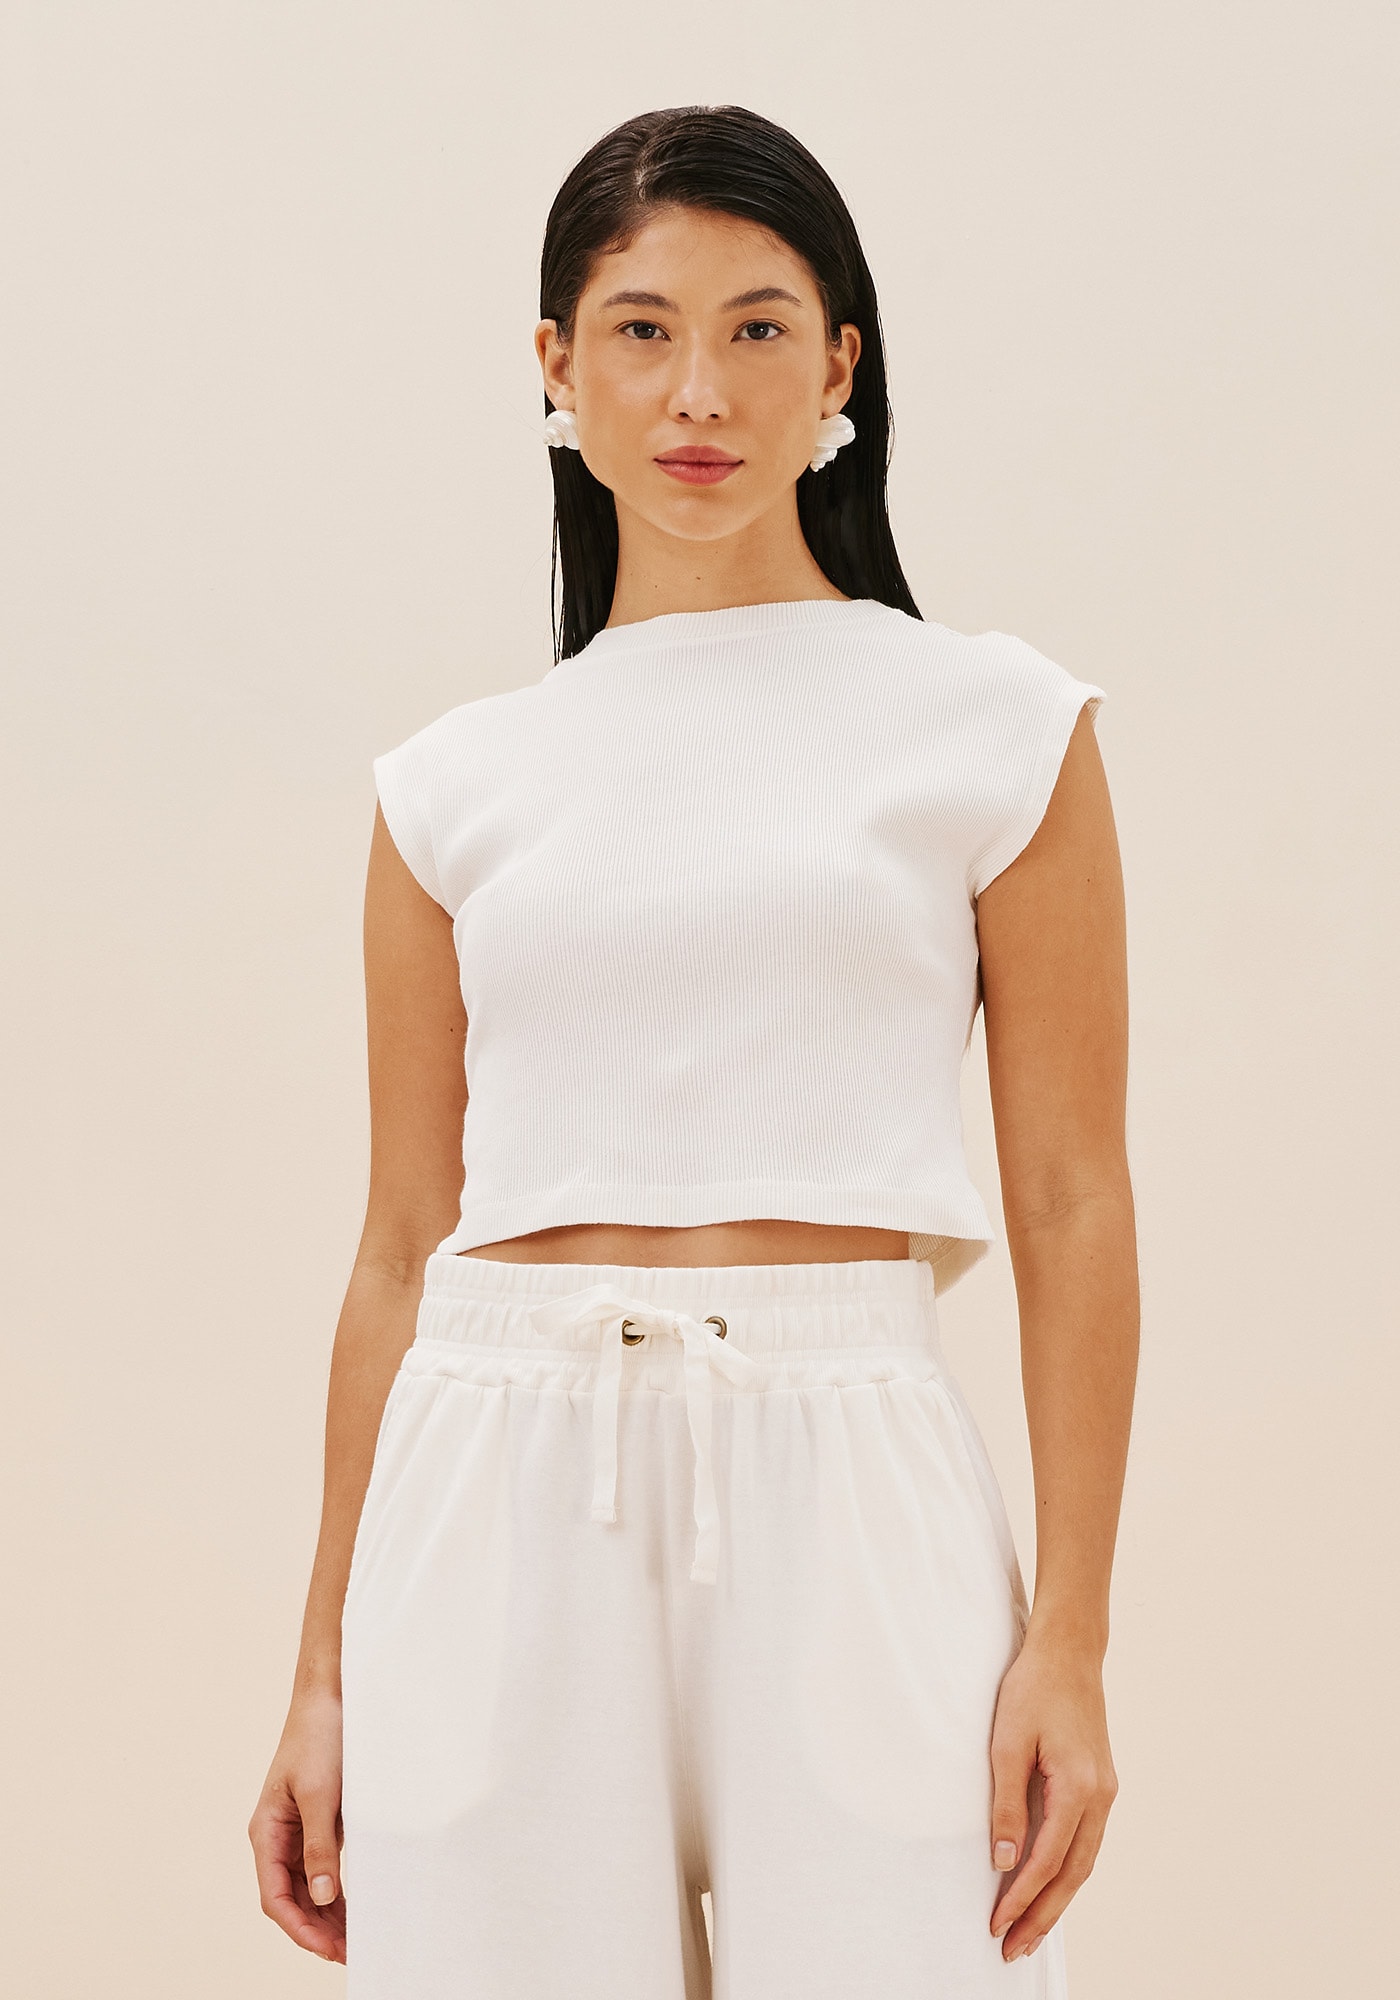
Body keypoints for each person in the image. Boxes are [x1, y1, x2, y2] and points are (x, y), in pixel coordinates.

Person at [248, 103, 1138, 1998]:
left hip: (850, 1464)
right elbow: (400, 1245)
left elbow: (1072, 1198)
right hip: (493, 1475)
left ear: (841, 367)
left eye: (758, 327)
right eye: (641, 331)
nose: (699, 392)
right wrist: (321, 1668)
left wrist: (1070, 1639)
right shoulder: (452, 784)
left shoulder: (995, 727)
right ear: (556, 367)